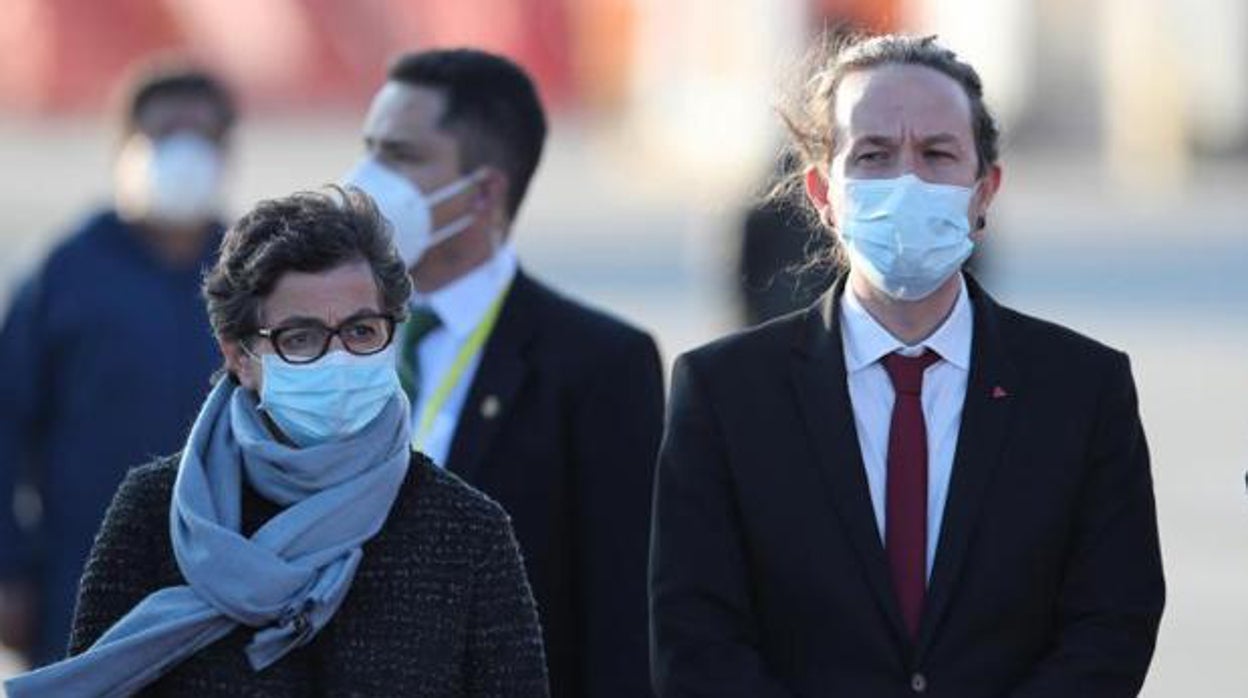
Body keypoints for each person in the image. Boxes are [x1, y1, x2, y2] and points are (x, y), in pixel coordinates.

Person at [650, 33, 1164, 697]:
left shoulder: (1081, 390)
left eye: (937, 153)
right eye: (874, 155)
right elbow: (696, 640)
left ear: (985, 192)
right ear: (822, 194)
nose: (907, 181)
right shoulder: (722, 394)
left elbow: (1111, 624)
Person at [4, 187, 549, 696]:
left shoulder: (465, 532)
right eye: (302, 338)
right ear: (238, 355)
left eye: (362, 331)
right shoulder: (155, 515)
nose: (338, 361)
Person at [344, 48, 664, 697]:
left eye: (400, 157)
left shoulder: (597, 364)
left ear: (483, 190)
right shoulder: (320, 340)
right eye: (370, 149)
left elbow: (622, 616)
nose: (366, 179)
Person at [0, 61, 236, 667]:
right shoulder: (68, 273)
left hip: (228, 589)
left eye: (201, 138)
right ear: (126, 149)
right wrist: (7, 569)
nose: (184, 154)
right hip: (80, 583)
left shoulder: (255, 274)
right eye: (164, 135)